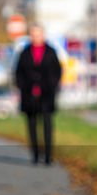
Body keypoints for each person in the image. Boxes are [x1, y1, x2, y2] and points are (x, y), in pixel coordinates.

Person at [14, 25, 63, 164]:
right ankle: (35, 154)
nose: (35, 37)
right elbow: (18, 72)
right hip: (29, 95)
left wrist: (51, 86)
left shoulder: (51, 52)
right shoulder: (25, 52)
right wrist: (22, 85)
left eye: (38, 34)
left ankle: (48, 156)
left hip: (47, 95)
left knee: (47, 125)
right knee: (31, 125)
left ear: (43, 35)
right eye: (33, 34)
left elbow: (57, 72)